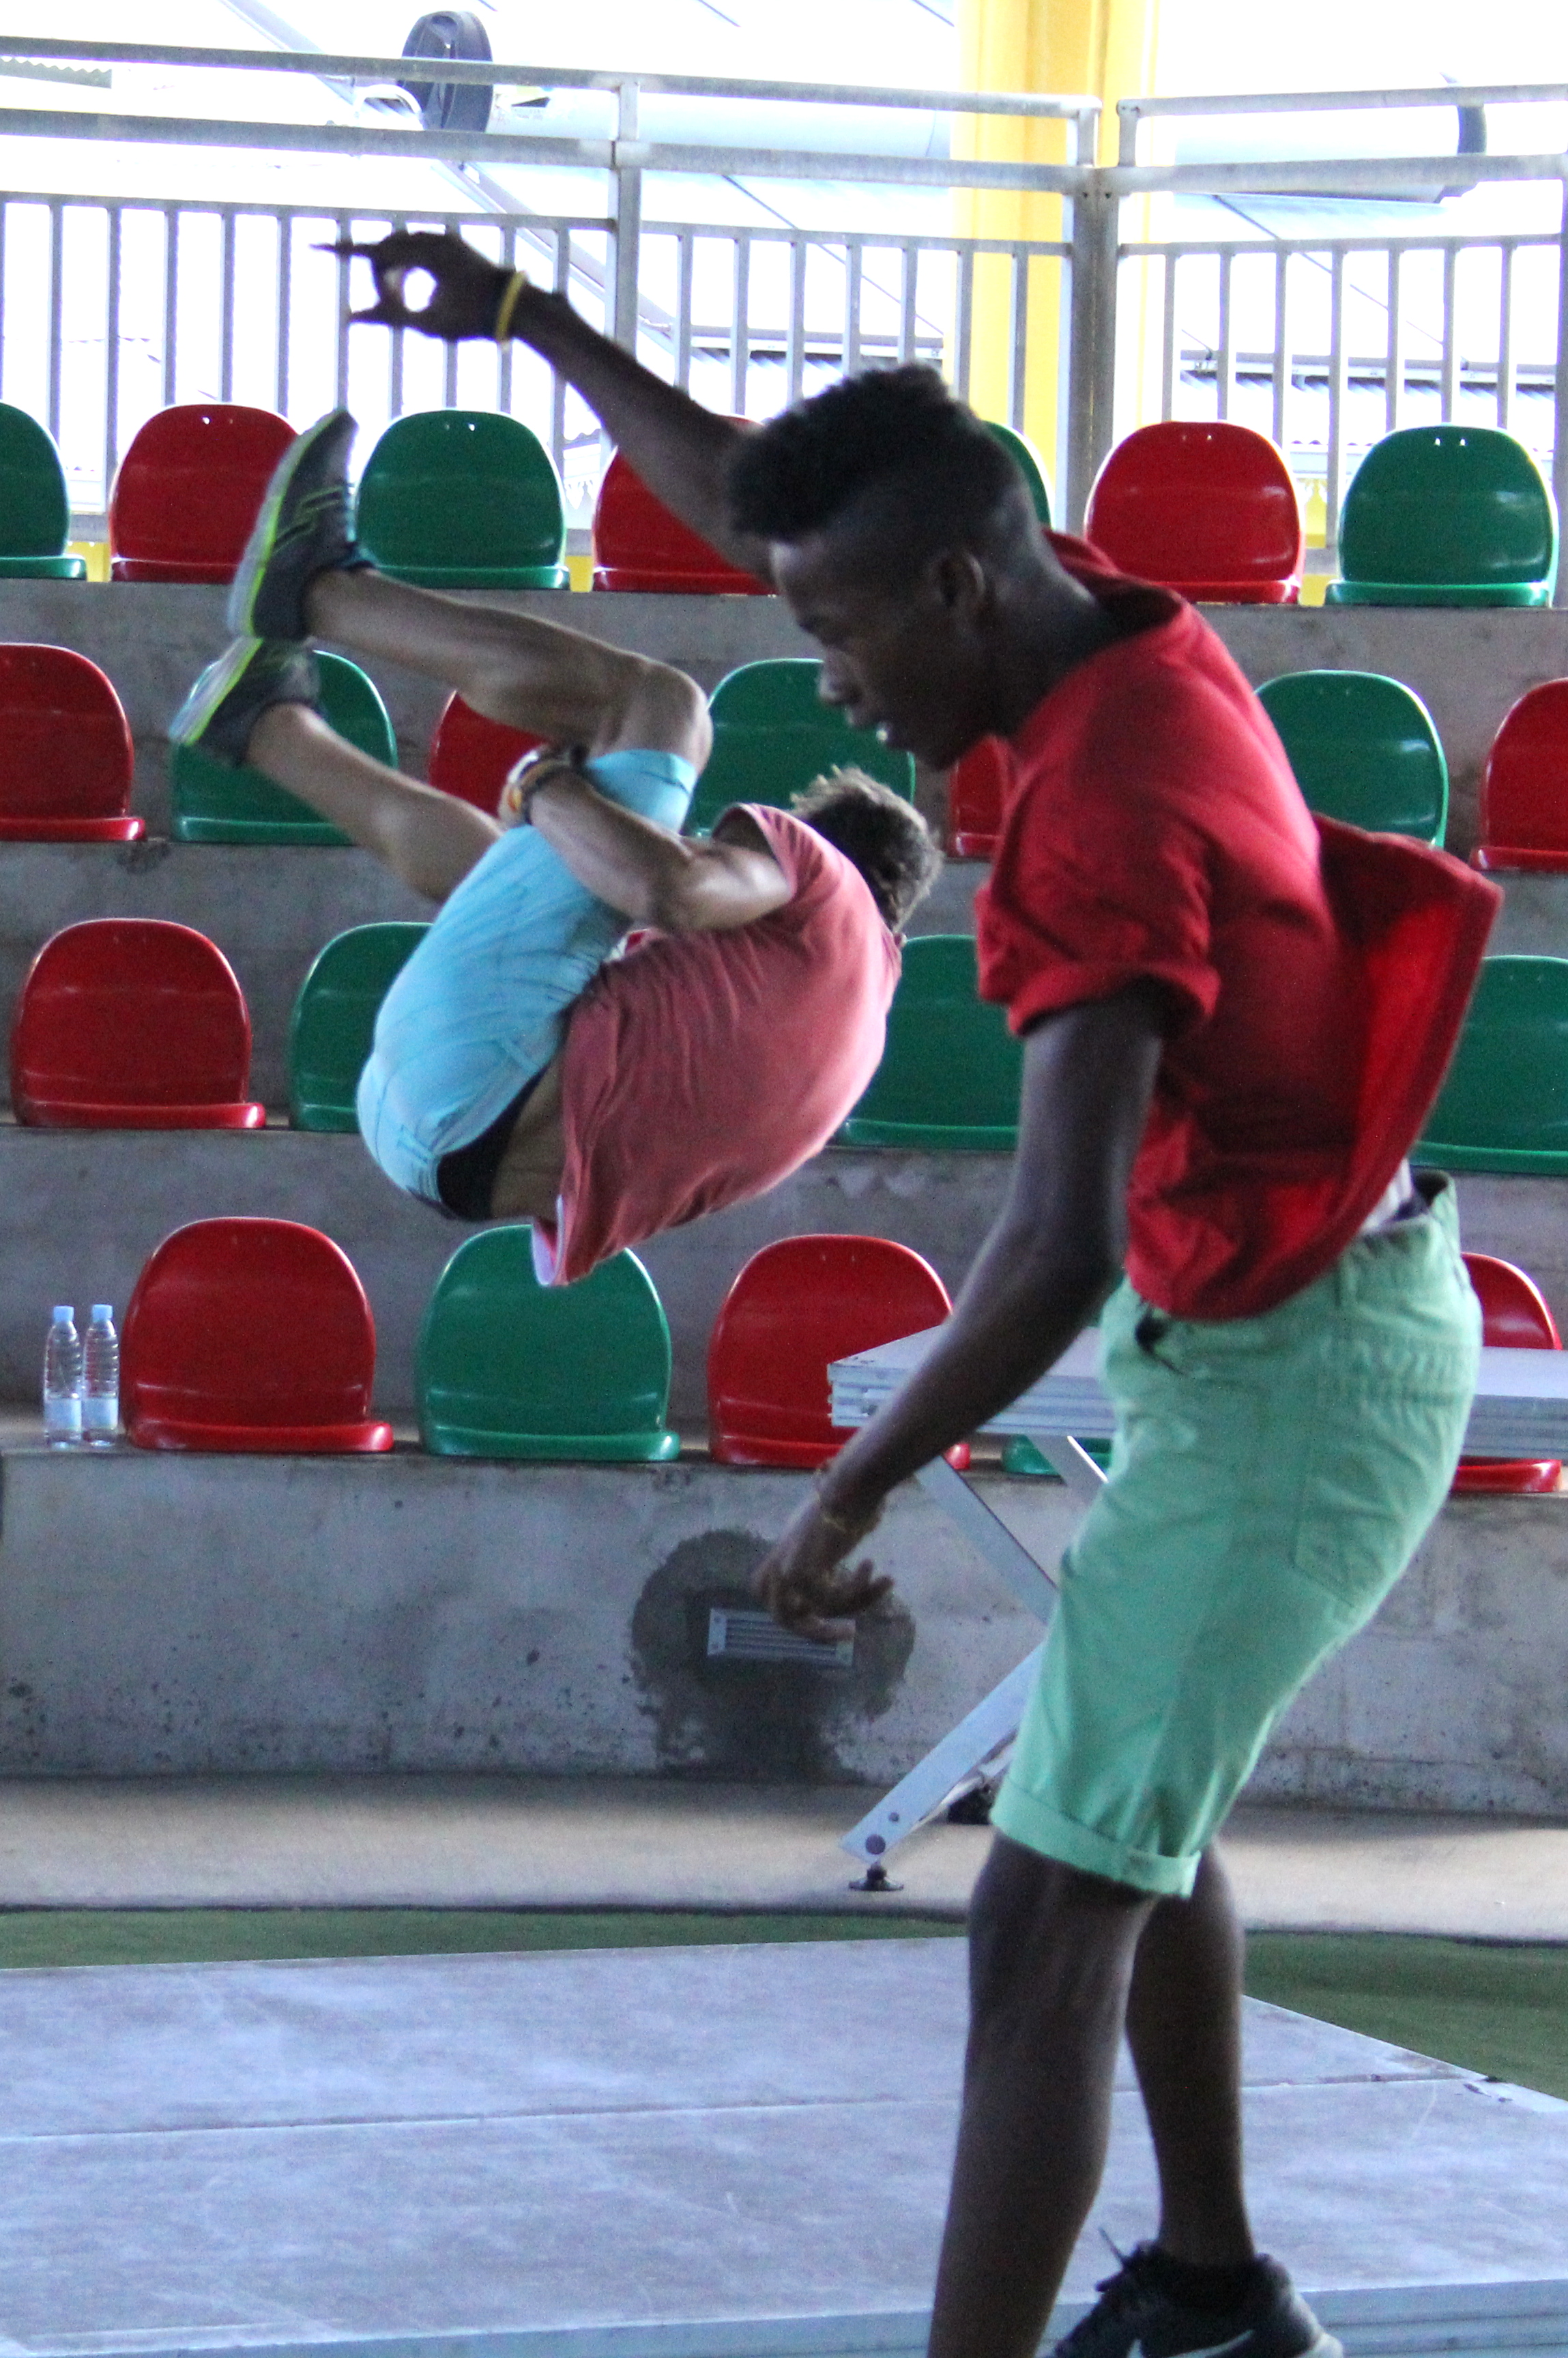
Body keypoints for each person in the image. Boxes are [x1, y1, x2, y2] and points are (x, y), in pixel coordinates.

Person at [334, 233, 1502, 2358]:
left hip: (1302, 1374)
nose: (834, 688)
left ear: (956, 590)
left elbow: (1050, 1247)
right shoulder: (1086, 622)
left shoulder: (1094, 826)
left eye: (840, 637)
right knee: (1124, 1812)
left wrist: (851, 1486)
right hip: (1261, 1325)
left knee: (1038, 1916)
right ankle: (1217, 2290)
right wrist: (527, 320)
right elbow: (773, 497)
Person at [170, 409, 940, 1275]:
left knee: (661, 709)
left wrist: (547, 788)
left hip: (483, 1071)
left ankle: (319, 590)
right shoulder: (849, 1041)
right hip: (448, 1161)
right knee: (526, 875)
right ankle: (269, 727)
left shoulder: (819, 883)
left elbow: (674, 890)